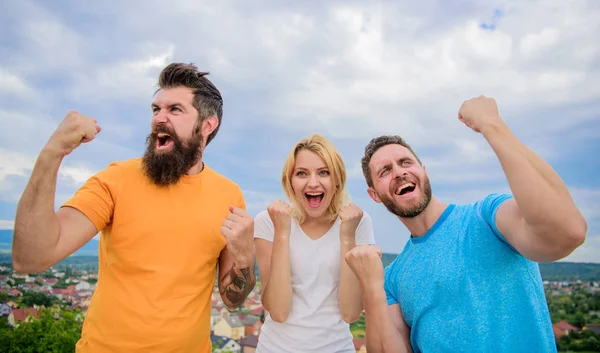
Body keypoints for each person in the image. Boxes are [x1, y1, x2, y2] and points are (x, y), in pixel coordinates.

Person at [12, 63, 256, 352]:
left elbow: (232, 299)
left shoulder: (229, 195)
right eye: (156, 109)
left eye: (174, 110)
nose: (158, 119)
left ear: (207, 125)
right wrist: (52, 154)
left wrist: (244, 256)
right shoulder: (116, 180)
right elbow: (29, 258)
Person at [345, 96, 587, 353]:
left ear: (423, 171)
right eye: (385, 171)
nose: (399, 172)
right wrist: (371, 288)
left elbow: (567, 232)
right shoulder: (392, 278)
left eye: (406, 162)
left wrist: (492, 125)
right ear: (374, 195)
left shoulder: (487, 217)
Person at [253, 134, 376, 352]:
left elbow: (351, 312)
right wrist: (282, 233)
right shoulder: (268, 221)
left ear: (337, 179)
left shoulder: (358, 221)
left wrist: (347, 237)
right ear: (290, 181)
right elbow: (278, 311)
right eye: (302, 173)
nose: (313, 182)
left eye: (324, 172)